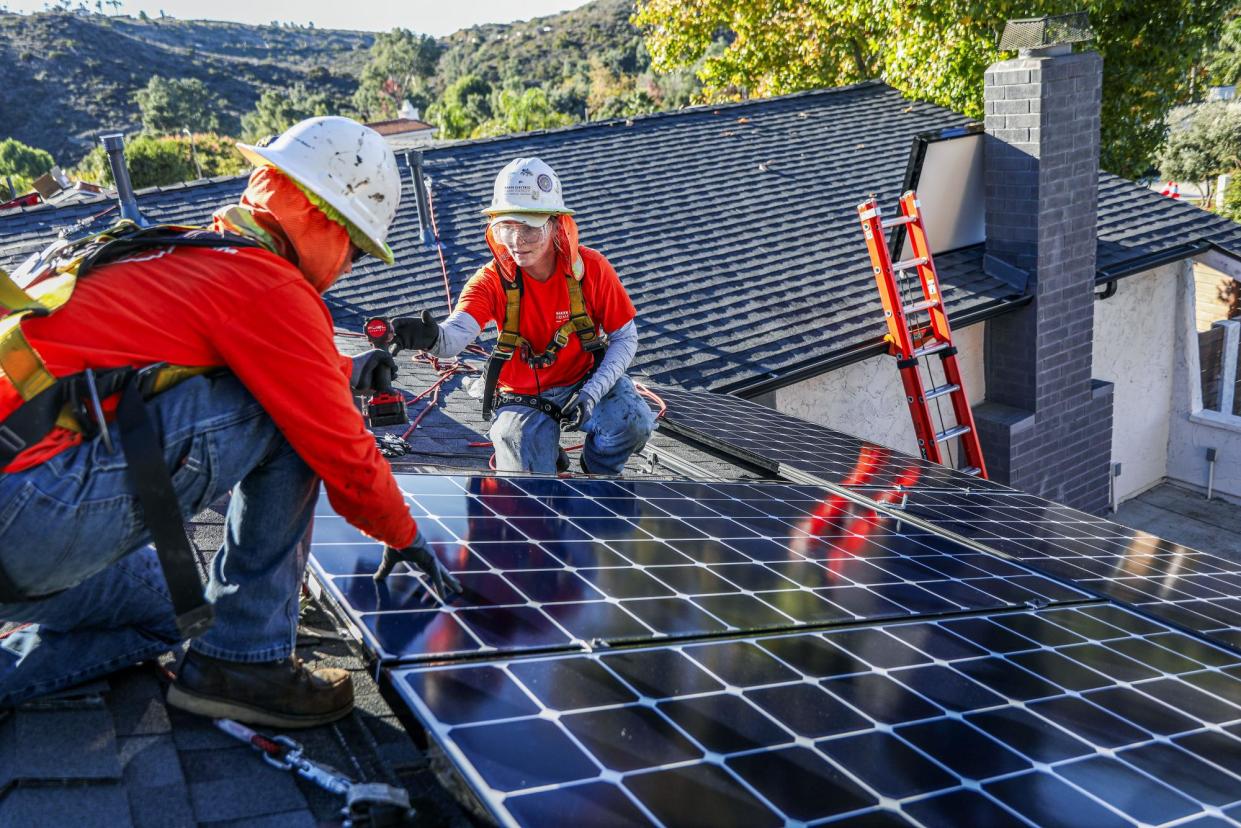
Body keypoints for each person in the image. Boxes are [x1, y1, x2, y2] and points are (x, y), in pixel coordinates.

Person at [0, 117, 460, 727]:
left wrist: (338, 366)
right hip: (27, 515)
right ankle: (246, 663)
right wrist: (407, 537)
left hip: (23, 512)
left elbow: (213, 354)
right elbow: (341, 451)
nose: (350, 265)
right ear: (319, 215)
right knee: (297, 417)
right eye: (353, 244)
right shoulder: (268, 286)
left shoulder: (186, 250)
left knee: (183, 611)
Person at [391, 157, 655, 475]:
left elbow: (625, 336)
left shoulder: (590, 269)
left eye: (530, 228)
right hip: (524, 395)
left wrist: (591, 392)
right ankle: (543, 451)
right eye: (507, 228)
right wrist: (431, 338)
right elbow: (454, 336)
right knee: (526, 482)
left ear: (556, 225)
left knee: (634, 421)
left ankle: (597, 470)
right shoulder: (491, 280)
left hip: (584, 380)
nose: (517, 241)